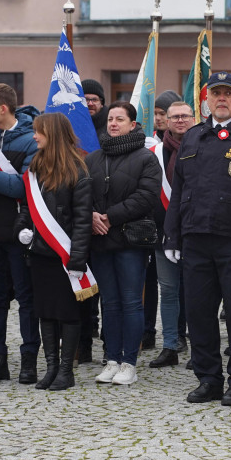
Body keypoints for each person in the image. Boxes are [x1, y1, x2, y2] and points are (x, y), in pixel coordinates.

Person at [163, 72, 231, 407]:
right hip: (196, 239)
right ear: (206, 99)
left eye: (228, 93)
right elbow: (179, 190)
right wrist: (172, 236)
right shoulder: (194, 136)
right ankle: (209, 378)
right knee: (198, 313)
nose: (221, 99)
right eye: (215, 94)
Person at [15, 113, 94, 391]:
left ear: (54, 134)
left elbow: (83, 220)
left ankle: (65, 371)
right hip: (39, 254)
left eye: (39, 132)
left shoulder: (77, 170)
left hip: (66, 256)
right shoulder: (36, 166)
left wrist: (78, 260)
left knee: (68, 313)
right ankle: (50, 369)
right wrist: (22, 228)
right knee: (45, 312)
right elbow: (27, 207)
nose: (35, 136)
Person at [87, 101, 162, 386]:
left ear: (133, 124)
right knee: (110, 302)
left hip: (131, 240)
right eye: (110, 119)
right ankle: (111, 359)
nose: (113, 123)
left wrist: (109, 216)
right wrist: (92, 215)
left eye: (120, 119)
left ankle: (129, 362)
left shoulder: (146, 158)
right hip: (101, 240)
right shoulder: (93, 159)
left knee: (131, 302)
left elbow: (146, 196)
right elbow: (82, 193)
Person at [0, 83, 41, 384]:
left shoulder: (30, 141)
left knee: (27, 299)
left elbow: (21, 187)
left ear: (3, 108)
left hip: (18, 233)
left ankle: (29, 358)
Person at [148, 101, 193, 368]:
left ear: (193, 118)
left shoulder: (204, 144)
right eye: (173, 117)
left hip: (195, 230)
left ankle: (198, 345)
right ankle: (170, 345)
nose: (178, 121)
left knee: (199, 291)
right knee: (168, 290)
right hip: (164, 231)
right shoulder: (154, 152)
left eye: (184, 116)